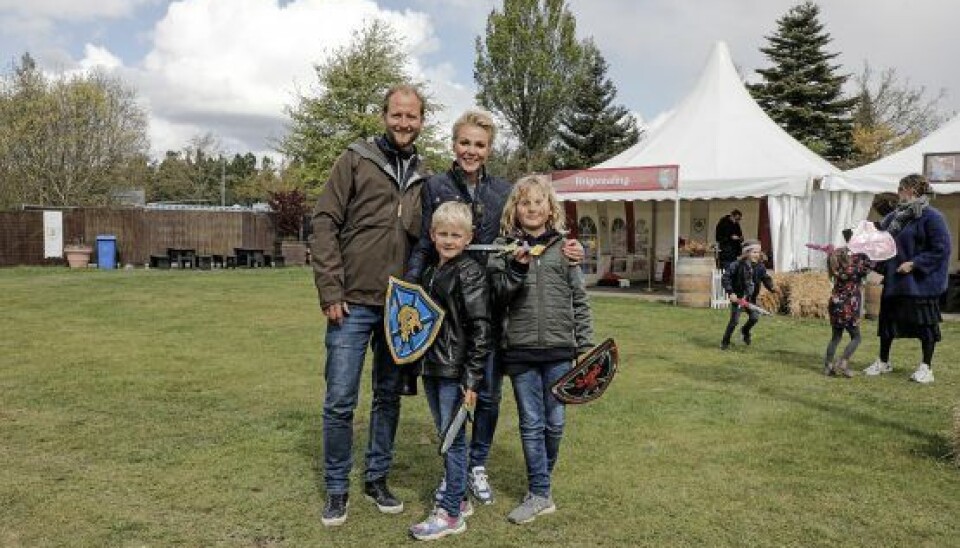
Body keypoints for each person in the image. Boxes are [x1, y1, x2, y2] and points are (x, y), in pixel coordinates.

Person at [405, 109, 584, 506]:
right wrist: (410, 292)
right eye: (465, 142)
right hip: (447, 309)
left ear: (489, 149)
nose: (471, 150)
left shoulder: (502, 191)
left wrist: (569, 246)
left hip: (493, 306)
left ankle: (476, 464)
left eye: (479, 144)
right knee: (451, 390)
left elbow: (523, 238)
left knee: (487, 394)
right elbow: (422, 244)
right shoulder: (434, 186)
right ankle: (454, 470)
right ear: (454, 144)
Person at [310, 84, 429, 527]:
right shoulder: (355, 160)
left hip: (399, 308)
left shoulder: (424, 174)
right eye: (397, 115)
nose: (403, 123)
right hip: (351, 304)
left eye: (412, 116)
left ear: (421, 121)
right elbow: (324, 223)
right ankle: (337, 487)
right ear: (384, 116)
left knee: (387, 398)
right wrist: (330, 289)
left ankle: (377, 477)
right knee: (340, 400)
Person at [487, 174, 593, 525]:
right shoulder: (503, 249)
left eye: (538, 202)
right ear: (514, 210)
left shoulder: (566, 250)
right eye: (525, 203)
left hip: (560, 349)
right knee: (531, 424)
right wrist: (515, 265)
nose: (532, 208)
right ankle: (539, 492)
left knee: (555, 423)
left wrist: (586, 344)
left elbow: (580, 299)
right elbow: (496, 297)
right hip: (519, 349)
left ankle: (541, 486)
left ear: (550, 209)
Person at [408, 202, 492, 540]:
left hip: (455, 373)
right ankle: (459, 497)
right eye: (442, 234)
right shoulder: (430, 272)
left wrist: (471, 378)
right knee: (448, 437)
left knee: (453, 442)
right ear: (432, 235)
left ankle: (451, 514)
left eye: (456, 235)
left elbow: (481, 330)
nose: (448, 240)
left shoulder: (469, 273)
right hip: (432, 367)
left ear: (468, 238)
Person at [863, 174, 951, 384]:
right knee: (888, 325)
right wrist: (863, 239)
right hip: (895, 282)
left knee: (925, 327)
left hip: (920, 285)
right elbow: (882, 241)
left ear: (911, 190)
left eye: (900, 189)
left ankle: (926, 368)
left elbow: (942, 249)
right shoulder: (894, 217)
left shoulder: (932, 217)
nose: (898, 193)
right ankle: (883, 362)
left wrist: (915, 263)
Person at [823, 229, 872, 377]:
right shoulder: (857, 266)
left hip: (835, 303)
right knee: (856, 337)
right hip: (850, 305)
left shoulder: (835, 261)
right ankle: (843, 362)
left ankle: (828, 366)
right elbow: (871, 265)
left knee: (836, 337)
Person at [720, 239, 775, 350]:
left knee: (754, 318)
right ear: (746, 252)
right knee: (734, 321)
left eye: (758, 252)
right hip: (738, 298)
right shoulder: (736, 265)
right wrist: (731, 292)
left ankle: (745, 331)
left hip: (751, 299)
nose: (756, 255)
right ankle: (725, 342)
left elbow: (765, 278)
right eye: (754, 252)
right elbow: (726, 278)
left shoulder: (760, 267)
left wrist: (772, 287)